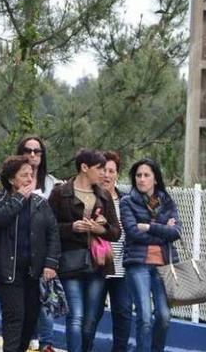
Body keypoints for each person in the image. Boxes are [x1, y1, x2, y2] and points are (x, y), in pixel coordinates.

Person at [48, 149, 120, 352]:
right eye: (100, 169)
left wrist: (98, 229)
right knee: (76, 315)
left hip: (97, 264)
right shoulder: (60, 193)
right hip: (70, 261)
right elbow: (48, 226)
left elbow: (116, 232)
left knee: (89, 319)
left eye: (107, 170)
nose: (104, 174)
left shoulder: (104, 195)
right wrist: (72, 227)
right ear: (84, 167)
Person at [0, 156, 60, 352]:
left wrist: (51, 263)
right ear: (11, 179)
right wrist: (19, 198)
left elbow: (53, 233)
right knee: (14, 316)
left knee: (30, 317)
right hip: (7, 270)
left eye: (31, 175)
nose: (29, 179)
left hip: (33, 271)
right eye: (23, 175)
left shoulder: (41, 204)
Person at [120, 159, 181, 352]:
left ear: (155, 179)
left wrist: (149, 227)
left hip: (163, 266)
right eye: (138, 175)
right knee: (144, 318)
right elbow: (132, 232)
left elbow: (176, 232)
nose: (142, 179)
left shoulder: (167, 202)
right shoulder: (127, 202)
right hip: (138, 265)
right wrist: (163, 230)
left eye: (146, 175)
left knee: (163, 317)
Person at [16, 135, 59, 350]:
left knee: (43, 301)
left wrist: (51, 260)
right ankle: (26, 342)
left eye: (37, 151)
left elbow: (53, 227)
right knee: (22, 306)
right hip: (17, 255)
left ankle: (46, 343)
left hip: (43, 255)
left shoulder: (52, 184)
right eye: (28, 150)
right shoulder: (9, 181)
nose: (32, 155)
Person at [94, 151, 132, 352]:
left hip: (122, 268)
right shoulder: (91, 198)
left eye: (111, 171)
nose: (107, 175)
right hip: (97, 266)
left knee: (123, 312)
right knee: (93, 313)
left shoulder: (126, 200)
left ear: (117, 174)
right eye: (103, 170)